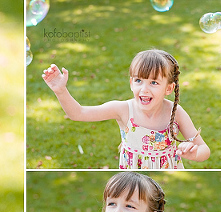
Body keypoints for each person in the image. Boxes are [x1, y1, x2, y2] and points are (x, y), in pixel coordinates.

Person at [42, 49, 210, 169]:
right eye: (139, 81)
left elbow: (204, 149)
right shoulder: (122, 109)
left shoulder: (175, 112)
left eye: (154, 82)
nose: (144, 89)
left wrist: (194, 153)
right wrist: (60, 90)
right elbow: (78, 113)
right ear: (131, 83)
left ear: (168, 88)